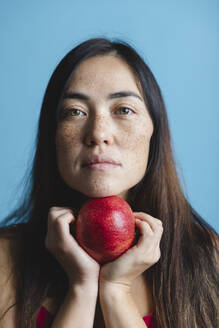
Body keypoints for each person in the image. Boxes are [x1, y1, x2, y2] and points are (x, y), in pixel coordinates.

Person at [0, 37, 218, 328]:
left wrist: (116, 292)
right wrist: (82, 287)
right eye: (74, 112)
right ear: (52, 135)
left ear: (155, 130)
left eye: (124, 110)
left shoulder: (209, 259)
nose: (99, 133)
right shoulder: (6, 259)